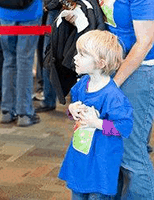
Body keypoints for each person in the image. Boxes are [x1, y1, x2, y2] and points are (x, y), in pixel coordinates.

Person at [75, 0, 154, 199]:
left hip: (143, 71)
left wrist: (113, 83)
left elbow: (145, 42)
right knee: (111, 144)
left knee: (130, 150)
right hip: (116, 65)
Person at [59, 30, 133, 199]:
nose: (75, 57)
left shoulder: (114, 97)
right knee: (77, 193)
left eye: (82, 54)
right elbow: (76, 111)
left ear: (100, 63)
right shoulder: (83, 83)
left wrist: (97, 123)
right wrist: (72, 109)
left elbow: (124, 127)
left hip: (102, 162)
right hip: (81, 154)